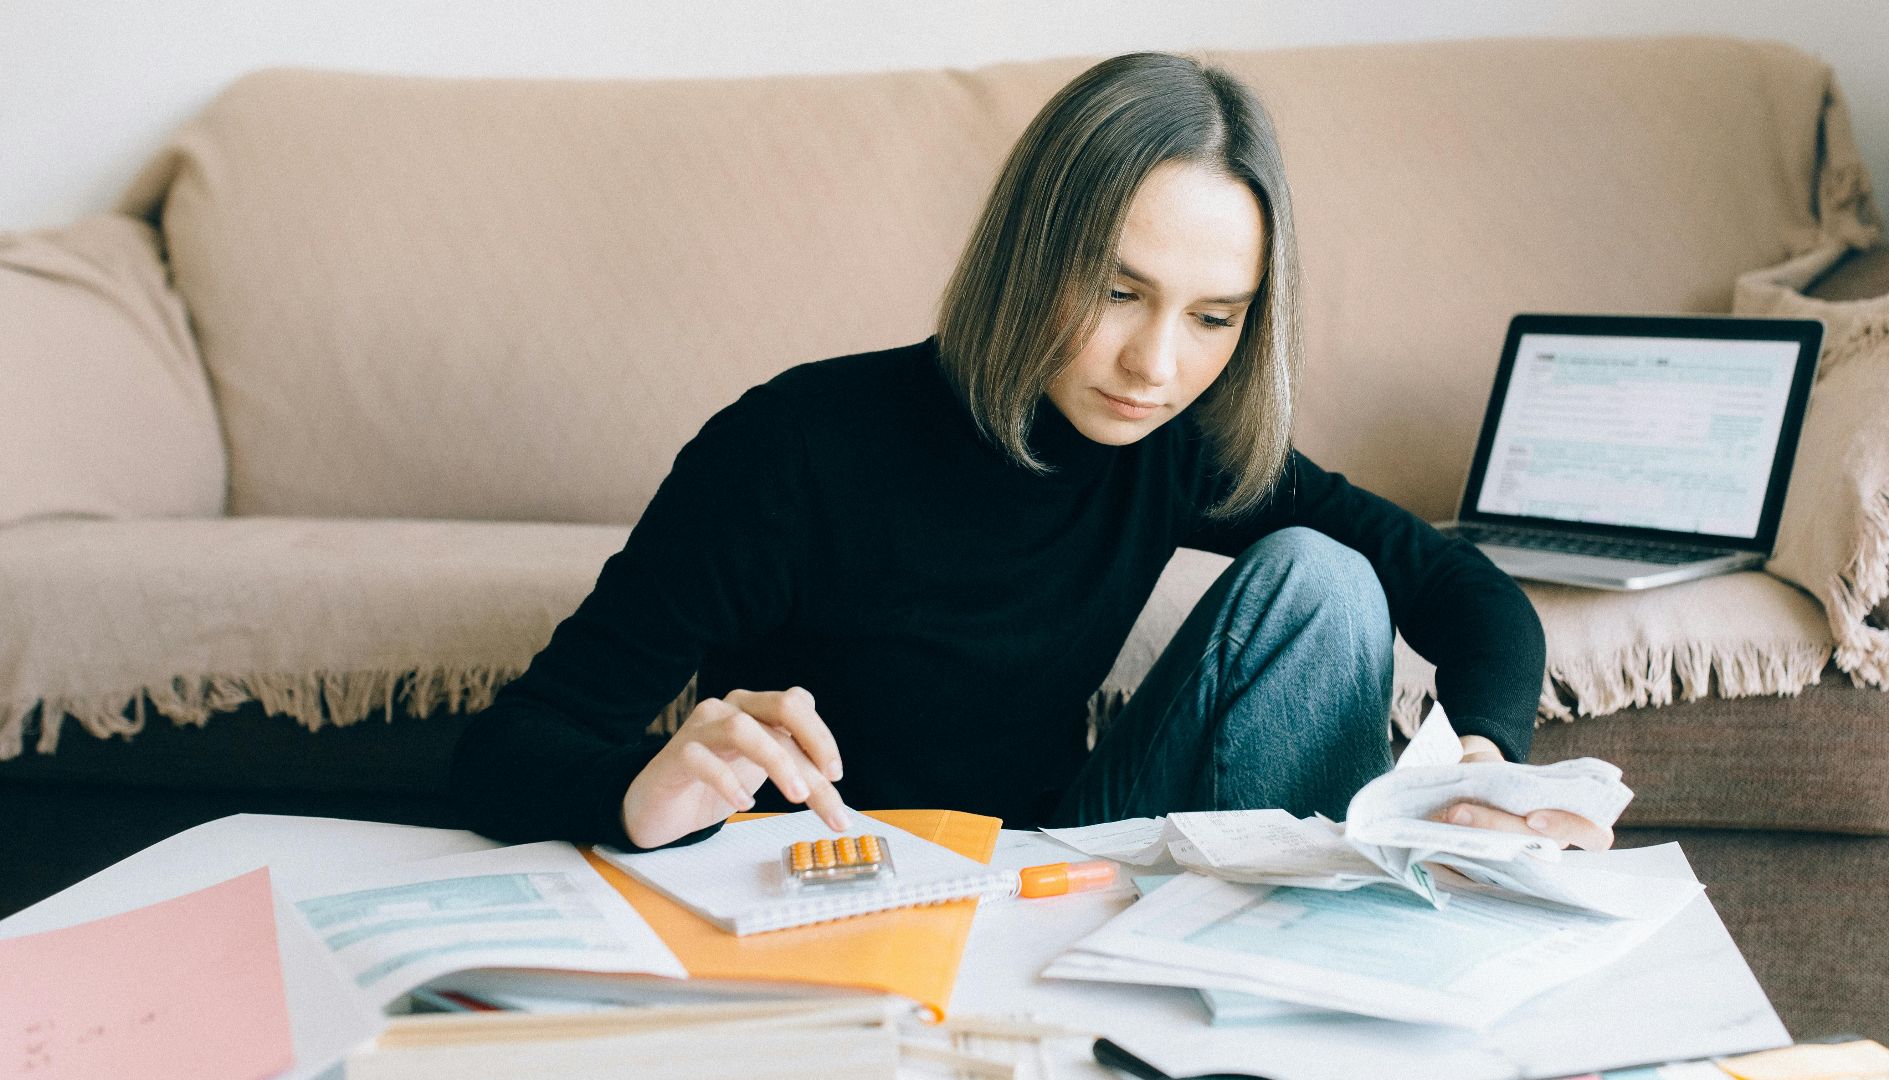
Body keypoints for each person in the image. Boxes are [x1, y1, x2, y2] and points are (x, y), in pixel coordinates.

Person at [449, 52, 1613, 856]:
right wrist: (644, 789)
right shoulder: (789, 449)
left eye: (1214, 317)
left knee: (1326, 579)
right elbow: (511, 750)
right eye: (1117, 290)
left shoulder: (1178, 442)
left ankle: (1292, 999)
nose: (1155, 365)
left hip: (1061, 862)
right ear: (1029, 250)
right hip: (827, 884)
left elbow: (1466, 595)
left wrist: (1479, 765)